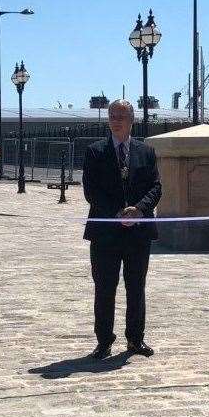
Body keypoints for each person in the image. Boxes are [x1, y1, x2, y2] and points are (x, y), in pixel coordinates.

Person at [82, 99, 161, 360]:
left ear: (131, 121)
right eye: (112, 115)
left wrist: (138, 209)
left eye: (121, 116)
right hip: (106, 233)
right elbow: (91, 190)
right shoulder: (95, 151)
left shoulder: (146, 152)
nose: (116, 120)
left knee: (136, 286)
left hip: (138, 231)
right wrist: (117, 213)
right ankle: (104, 340)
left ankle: (135, 339)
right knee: (105, 287)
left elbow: (155, 187)